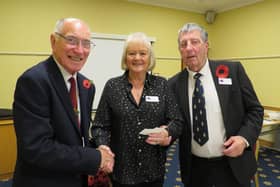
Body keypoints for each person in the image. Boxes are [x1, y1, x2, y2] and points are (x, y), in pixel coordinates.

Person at [12, 18, 114, 187]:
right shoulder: (34, 81)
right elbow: (37, 148)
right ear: (53, 41)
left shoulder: (86, 86)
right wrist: (96, 158)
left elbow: (77, 137)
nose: (80, 50)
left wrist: (102, 148)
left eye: (86, 43)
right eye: (71, 41)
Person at [168, 23, 264, 187]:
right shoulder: (173, 84)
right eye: (184, 44)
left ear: (206, 45)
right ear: (180, 50)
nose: (189, 48)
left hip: (232, 165)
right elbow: (173, 122)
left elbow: (255, 110)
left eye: (195, 42)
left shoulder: (232, 71)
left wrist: (243, 139)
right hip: (194, 168)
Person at [90, 32, 183, 187]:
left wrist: (168, 132)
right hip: (122, 171)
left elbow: (177, 120)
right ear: (125, 58)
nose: (137, 58)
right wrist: (103, 147)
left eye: (142, 53)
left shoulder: (162, 85)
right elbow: (100, 126)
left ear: (150, 58)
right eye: (132, 53)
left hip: (154, 170)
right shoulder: (113, 86)